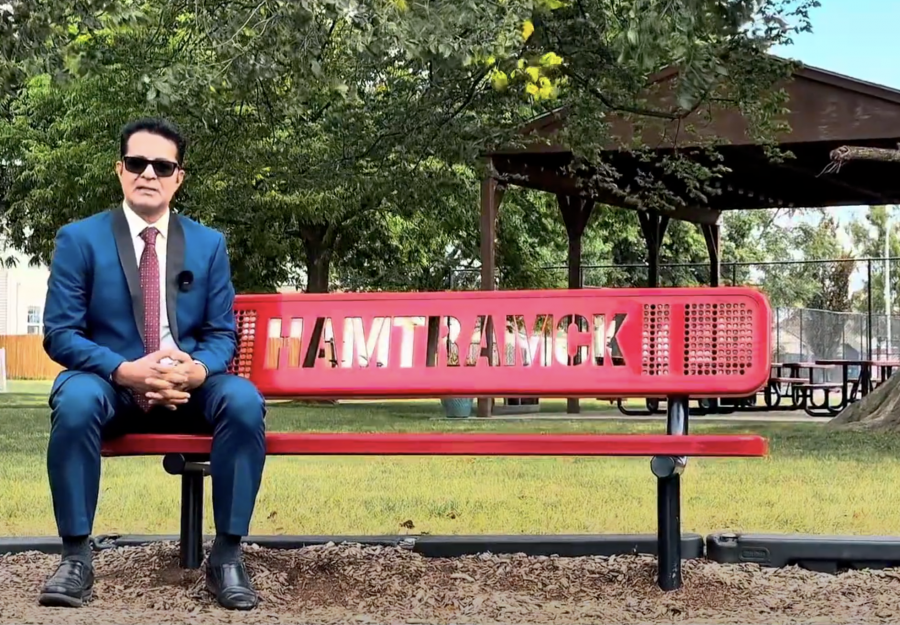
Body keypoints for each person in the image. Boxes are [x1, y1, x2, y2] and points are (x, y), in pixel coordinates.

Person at [38, 118, 266, 611]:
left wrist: (197, 370)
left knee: (244, 400)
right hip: (110, 386)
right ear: (120, 170)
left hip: (188, 388)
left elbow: (222, 334)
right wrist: (125, 370)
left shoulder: (208, 245)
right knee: (74, 399)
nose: (149, 174)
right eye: (137, 163)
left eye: (162, 166)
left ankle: (227, 557)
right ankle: (76, 557)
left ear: (178, 177)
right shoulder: (79, 240)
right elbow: (60, 334)